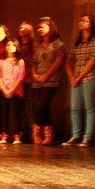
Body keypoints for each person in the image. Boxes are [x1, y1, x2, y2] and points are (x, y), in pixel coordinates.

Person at [63, 14, 95, 147]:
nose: (82, 22)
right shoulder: (77, 41)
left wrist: (79, 77)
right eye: (81, 21)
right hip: (76, 77)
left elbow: (93, 61)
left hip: (90, 76)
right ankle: (76, 135)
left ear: (91, 24)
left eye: (85, 21)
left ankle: (87, 137)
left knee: (90, 108)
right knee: (75, 108)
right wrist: (71, 77)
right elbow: (68, 60)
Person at [31, 17, 65, 145]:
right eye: (38, 27)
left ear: (50, 28)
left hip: (51, 80)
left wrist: (46, 75)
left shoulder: (58, 44)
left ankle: (36, 131)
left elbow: (59, 61)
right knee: (42, 107)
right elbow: (33, 62)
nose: (39, 29)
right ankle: (49, 135)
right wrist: (35, 75)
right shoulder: (37, 45)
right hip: (38, 81)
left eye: (42, 27)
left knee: (42, 105)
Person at [0, 38, 25, 144]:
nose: (10, 47)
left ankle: (16, 136)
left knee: (15, 113)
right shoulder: (2, 61)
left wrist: (12, 90)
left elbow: (20, 77)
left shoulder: (20, 61)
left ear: (16, 47)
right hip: (4, 91)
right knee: (4, 113)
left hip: (16, 91)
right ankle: (4, 135)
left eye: (13, 45)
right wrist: (5, 90)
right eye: (8, 45)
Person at [17, 22, 36, 141]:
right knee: (20, 106)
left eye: (25, 28)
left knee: (30, 106)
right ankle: (22, 132)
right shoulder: (17, 45)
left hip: (29, 79)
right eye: (20, 28)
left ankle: (33, 133)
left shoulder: (33, 46)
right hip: (18, 80)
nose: (22, 30)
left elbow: (34, 62)